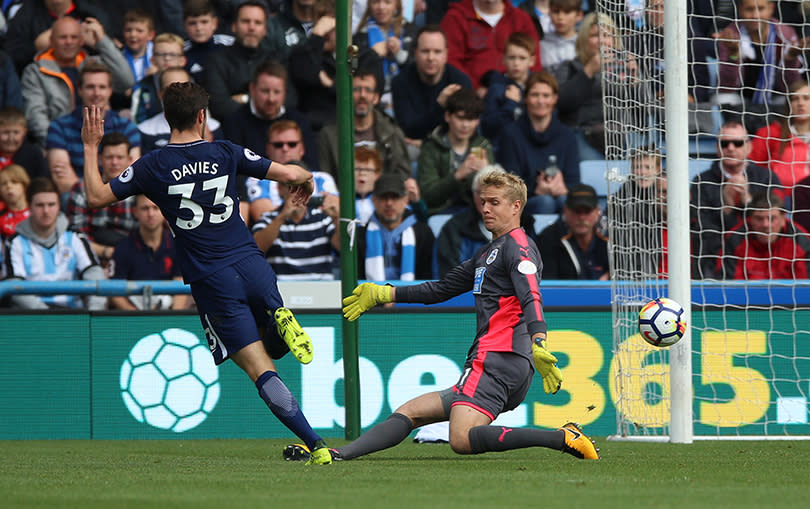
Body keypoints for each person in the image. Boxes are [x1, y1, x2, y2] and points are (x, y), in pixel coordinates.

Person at [81, 82, 334, 465]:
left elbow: (97, 196)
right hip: (253, 266)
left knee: (259, 369)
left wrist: (90, 145)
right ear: (202, 117)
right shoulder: (226, 152)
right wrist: (305, 180)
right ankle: (279, 319)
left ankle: (317, 446)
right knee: (271, 341)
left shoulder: (152, 165)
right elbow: (290, 172)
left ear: (168, 117)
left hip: (212, 278)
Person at [284, 167, 599, 462]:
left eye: (495, 202)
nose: (486, 208)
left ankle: (561, 437)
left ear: (516, 206)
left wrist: (539, 340)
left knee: (461, 439)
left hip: (498, 358)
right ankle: (339, 455)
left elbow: (531, 294)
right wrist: (385, 293)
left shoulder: (519, 248)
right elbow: (441, 289)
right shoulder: (489, 252)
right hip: (499, 361)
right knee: (411, 412)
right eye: (483, 202)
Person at [20, 16, 134, 147]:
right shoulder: (36, 71)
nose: (69, 42)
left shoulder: (93, 64)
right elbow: (36, 118)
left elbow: (126, 80)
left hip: (102, 142)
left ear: (81, 41)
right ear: (51, 41)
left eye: (74, 37)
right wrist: (58, 144)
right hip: (57, 144)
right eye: (63, 37)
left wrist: (102, 41)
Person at [691, 121, 779, 280]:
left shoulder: (767, 178)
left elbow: (777, 222)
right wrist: (726, 206)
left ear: (749, 147)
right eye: (724, 143)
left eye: (737, 143)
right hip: (716, 261)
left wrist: (747, 200)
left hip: (761, 259)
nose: (730, 148)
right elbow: (703, 229)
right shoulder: (701, 182)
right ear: (717, 148)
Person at [3, 176, 106, 310]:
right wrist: (48, 317)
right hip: (31, 318)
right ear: (29, 206)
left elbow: (95, 275)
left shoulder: (75, 237)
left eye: (51, 205)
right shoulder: (14, 242)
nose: (46, 211)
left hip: (73, 316)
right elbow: (14, 287)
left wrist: (94, 312)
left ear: (59, 206)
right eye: (40, 205)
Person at [46, 62, 142, 196]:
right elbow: (63, 182)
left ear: (110, 90)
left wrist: (100, 194)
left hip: (120, 200)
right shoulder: (59, 127)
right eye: (90, 87)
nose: (96, 93)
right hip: (79, 199)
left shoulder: (127, 127)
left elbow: (132, 175)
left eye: (102, 87)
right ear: (79, 89)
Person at [496, 71, 579, 214]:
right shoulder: (510, 134)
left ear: (554, 99)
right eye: (535, 95)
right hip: (522, 204)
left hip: (559, 197)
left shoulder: (568, 136)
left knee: (566, 200)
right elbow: (509, 184)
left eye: (546, 96)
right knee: (545, 202)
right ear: (526, 98)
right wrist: (535, 190)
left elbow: (574, 180)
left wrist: (563, 188)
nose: (541, 101)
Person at [713, 0, 805, 116]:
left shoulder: (785, 34)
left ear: (771, 8)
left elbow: (791, 87)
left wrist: (790, 59)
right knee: (722, 99)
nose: (755, 16)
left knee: (794, 101)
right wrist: (734, 53)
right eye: (749, 9)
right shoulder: (730, 35)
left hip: (775, 98)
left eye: (761, 9)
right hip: (740, 100)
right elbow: (726, 87)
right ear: (740, 9)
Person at [222, 60, 319, 171]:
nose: (271, 99)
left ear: (285, 92)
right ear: (252, 89)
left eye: (277, 92)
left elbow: (312, 168)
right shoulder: (234, 123)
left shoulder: (299, 122)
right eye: (265, 91)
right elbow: (234, 171)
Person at [318, 68, 411, 179]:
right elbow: (325, 178)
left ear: (376, 98)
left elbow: (402, 176)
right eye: (356, 89)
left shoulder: (392, 133)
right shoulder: (328, 134)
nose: (362, 95)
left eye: (368, 90)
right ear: (347, 94)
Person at [391, 25, 473, 145]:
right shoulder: (400, 82)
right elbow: (408, 129)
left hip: (449, 147)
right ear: (415, 53)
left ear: (446, 54)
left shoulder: (460, 82)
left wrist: (425, 144)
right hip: (412, 148)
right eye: (425, 51)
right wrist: (440, 105)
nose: (431, 57)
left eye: (437, 52)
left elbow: (466, 128)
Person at [66, 132, 138, 266]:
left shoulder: (140, 190)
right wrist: (107, 251)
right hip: (89, 259)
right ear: (100, 159)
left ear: (130, 159)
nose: (114, 162)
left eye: (120, 157)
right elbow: (75, 238)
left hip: (133, 258)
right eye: (109, 157)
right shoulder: (82, 189)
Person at [245, 120, 337, 223]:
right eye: (278, 145)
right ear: (268, 149)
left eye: (292, 144)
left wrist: (288, 210)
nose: (285, 149)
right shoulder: (257, 179)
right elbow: (263, 217)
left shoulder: (322, 178)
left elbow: (336, 212)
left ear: (302, 148)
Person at [439, 0, 540, 93]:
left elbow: (534, 61)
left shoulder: (521, 18)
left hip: (518, 94)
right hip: (472, 98)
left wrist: (528, 91)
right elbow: (451, 61)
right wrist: (475, 89)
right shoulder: (456, 17)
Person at [418, 87, 491, 215]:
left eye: (471, 119)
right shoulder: (431, 148)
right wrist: (458, 176)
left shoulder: (482, 146)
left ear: (477, 121)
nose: (465, 125)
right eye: (460, 118)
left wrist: (486, 174)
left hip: (477, 214)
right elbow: (428, 197)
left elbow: (494, 195)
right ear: (447, 116)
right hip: (441, 214)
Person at [109, 194, 188, 310]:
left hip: (169, 313)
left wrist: (172, 319)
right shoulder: (123, 247)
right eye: (145, 208)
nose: (151, 214)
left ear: (164, 210)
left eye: (155, 208)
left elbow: (181, 287)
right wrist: (141, 319)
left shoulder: (178, 244)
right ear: (135, 212)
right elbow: (114, 292)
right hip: (134, 317)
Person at [202, 1, 279, 121]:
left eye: (258, 23)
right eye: (245, 21)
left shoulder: (275, 59)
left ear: (265, 30)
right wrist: (264, 103)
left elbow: (289, 100)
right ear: (234, 26)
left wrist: (245, 98)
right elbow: (219, 106)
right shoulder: (215, 61)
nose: (251, 27)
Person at [251, 180, 340, 280]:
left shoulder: (323, 218)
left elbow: (342, 249)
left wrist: (336, 218)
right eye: (291, 187)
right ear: (280, 189)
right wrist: (282, 217)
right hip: (281, 287)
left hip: (321, 287)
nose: (298, 193)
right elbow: (256, 250)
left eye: (303, 187)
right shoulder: (268, 218)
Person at [355, 172, 434, 280]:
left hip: (414, 296)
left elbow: (429, 277)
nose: (389, 203)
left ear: (406, 200)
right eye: (384, 197)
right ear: (373, 200)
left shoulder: (423, 233)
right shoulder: (360, 235)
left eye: (395, 197)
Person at [719, 191, 810, 279]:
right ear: (750, 219)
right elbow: (729, 286)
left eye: (772, 219)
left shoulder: (801, 241)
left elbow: (805, 286)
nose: (766, 225)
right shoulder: (734, 240)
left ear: (783, 219)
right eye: (759, 219)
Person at [138, 66, 223, 155]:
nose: (179, 95)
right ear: (160, 94)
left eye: (185, 87)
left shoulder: (213, 127)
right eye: (171, 89)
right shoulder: (146, 130)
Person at [353, 0, 417, 116]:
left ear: (396, 5)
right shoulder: (358, 36)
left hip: (406, 98)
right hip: (372, 99)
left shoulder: (410, 29)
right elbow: (350, 67)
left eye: (387, 2)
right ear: (369, 5)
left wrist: (399, 54)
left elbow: (419, 69)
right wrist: (372, 54)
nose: (381, 7)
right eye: (375, 2)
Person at [749, 80, 810, 198]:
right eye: (795, 99)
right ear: (788, 104)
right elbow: (753, 169)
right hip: (775, 202)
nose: (800, 103)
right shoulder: (769, 133)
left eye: (806, 98)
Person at [536, 183, 609, 280]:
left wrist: (609, 277)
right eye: (576, 211)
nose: (582, 217)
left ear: (597, 211)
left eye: (587, 211)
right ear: (565, 210)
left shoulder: (613, 238)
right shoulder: (548, 238)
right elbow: (549, 284)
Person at [480, 31, 536, 142]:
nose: (516, 63)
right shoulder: (495, 89)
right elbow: (487, 127)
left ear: (532, 61)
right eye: (512, 58)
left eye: (522, 58)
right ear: (503, 59)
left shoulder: (539, 86)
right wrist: (510, 105)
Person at [130, 32, 187, 125]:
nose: (167, 59)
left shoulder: (192, 83)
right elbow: (137, 119)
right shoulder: (144, 87)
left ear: (183, 60)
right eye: (161, 54)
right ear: (152, 60)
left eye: (173, 54)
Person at [182, 0, 234, 85]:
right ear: (184, 26)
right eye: (192, 23)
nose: (198, 28)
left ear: (215, 23)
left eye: (204, 22)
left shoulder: (230, 44)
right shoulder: (180, 51)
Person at [0, 107, 48, 179]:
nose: (11, 138)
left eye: (16, 132)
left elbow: (42, 182)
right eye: (6, 132)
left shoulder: (33, 154)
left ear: (24, 132)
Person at [539, 0, 582, 75]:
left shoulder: (585, 43)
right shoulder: (541, 44)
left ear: (579, 15)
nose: (560, 17)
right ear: (549, 13)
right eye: (556, 11)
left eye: (567, 12)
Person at [120, 9, 156, 91]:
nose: (133, 35)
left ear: (150, 35)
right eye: (128, 30)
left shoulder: (157, 54)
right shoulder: (119, 57)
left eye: (139, 31)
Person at [0, 164, 31, 239]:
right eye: (3, 184)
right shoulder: (1, 216)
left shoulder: (37, 210)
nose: (9, 186)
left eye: (14, 182)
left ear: (24, 185)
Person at [354, 146, 384, 223]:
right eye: (357, 169)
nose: (362, 173)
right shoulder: (338, 200)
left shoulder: (385, 201)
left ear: (377, 174)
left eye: (367, 170)